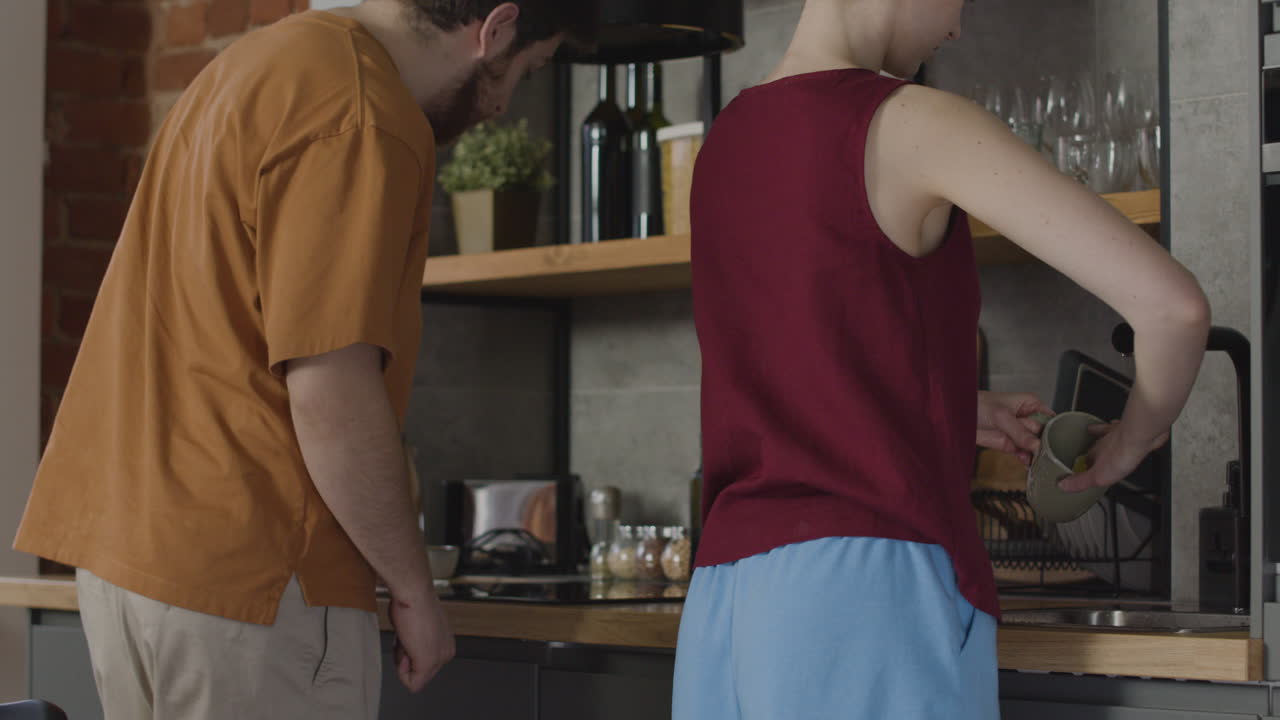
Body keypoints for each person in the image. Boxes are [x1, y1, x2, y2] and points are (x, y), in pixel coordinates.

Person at [13, 1, 597, 718]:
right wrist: (413, 590)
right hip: (255, 578)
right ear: (496, 28)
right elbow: (332, 393)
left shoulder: (253, 64)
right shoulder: (362, 114)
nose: (505, 106)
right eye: (527, 72)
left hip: (131, 558)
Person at [674, 0, 1209, 718]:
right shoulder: (912, 121)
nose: (955, 26)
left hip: (726, 597)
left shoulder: (726, 140)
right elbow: (1175, 310)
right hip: (867, 592)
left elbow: (796, 356)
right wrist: (1131, 441)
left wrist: (952, 404)